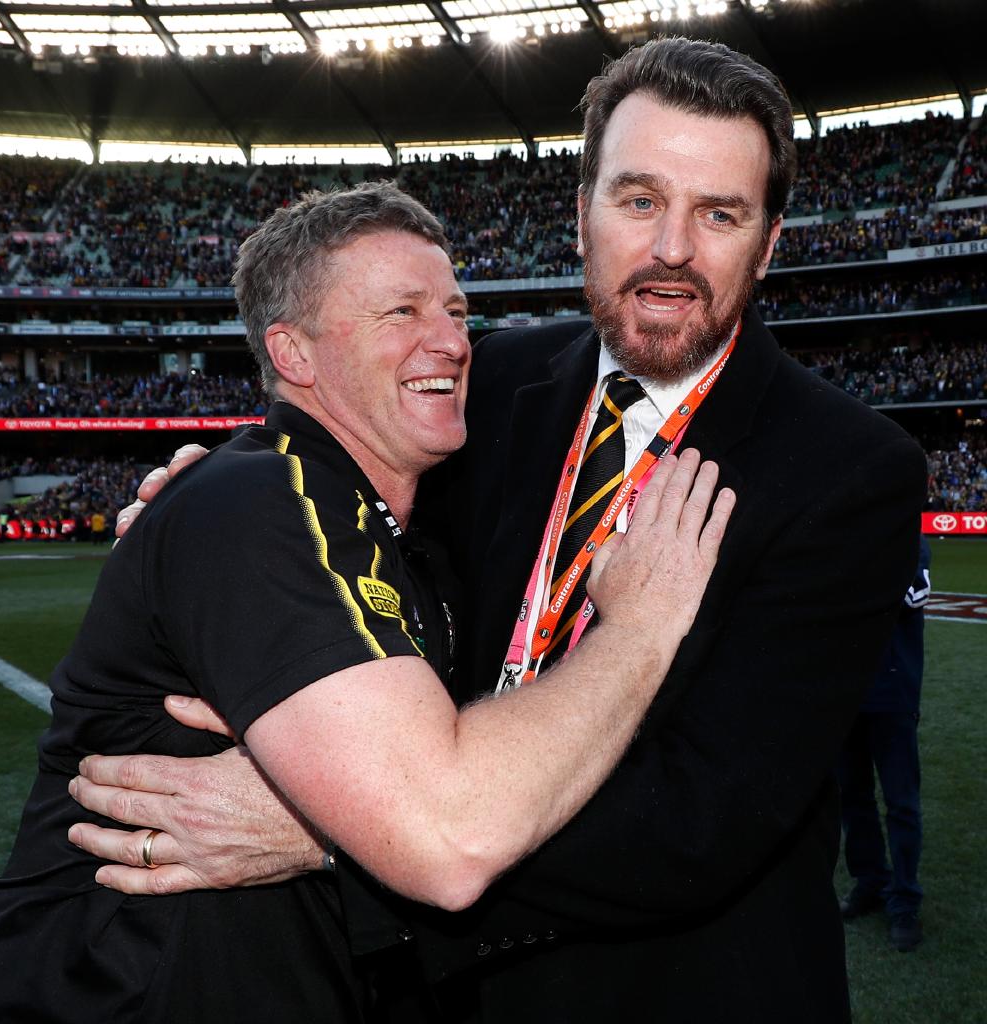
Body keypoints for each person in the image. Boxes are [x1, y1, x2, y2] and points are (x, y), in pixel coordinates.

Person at [67, 38, 926, 1023]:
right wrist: (216, 498)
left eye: (718, 213)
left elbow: (700, 817)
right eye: (638, 200)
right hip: (437, 992)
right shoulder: (494, 376)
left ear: (768, 242)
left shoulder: (849, 468)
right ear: (582, 216)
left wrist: (340, 831)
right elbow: (339, 477)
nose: (673, 249)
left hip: (675, 991)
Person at [0, 182, 732, 1023]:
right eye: (401, 313)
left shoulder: (404, 539)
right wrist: (642, 626)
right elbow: (447, 840)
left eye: (454, 308)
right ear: (294, 355)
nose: (450, 340)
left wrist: (322, 834)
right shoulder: (257, 501)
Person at [838, 535, 932, 952]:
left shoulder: (911, 540)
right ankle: (870, 881)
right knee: (852, 798)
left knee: (901, 803)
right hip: (846, 694)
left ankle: (905, 900)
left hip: (893, 695)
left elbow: (913, 595)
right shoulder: (846, 532)